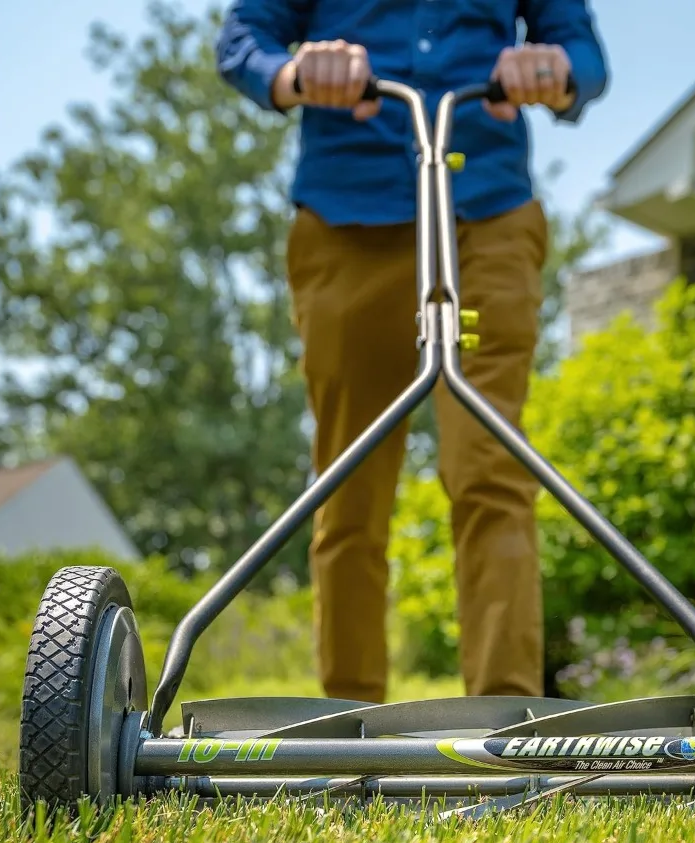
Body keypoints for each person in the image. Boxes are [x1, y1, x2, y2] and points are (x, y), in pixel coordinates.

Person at [217, 1, 608, 704]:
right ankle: (346, 723)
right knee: (348, 481)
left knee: (492, 469)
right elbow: (245, 40)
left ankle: (506, 717)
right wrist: (297, 74)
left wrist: (553, 69)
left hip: (485, 217)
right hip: (346, 220)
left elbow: (582, 50)